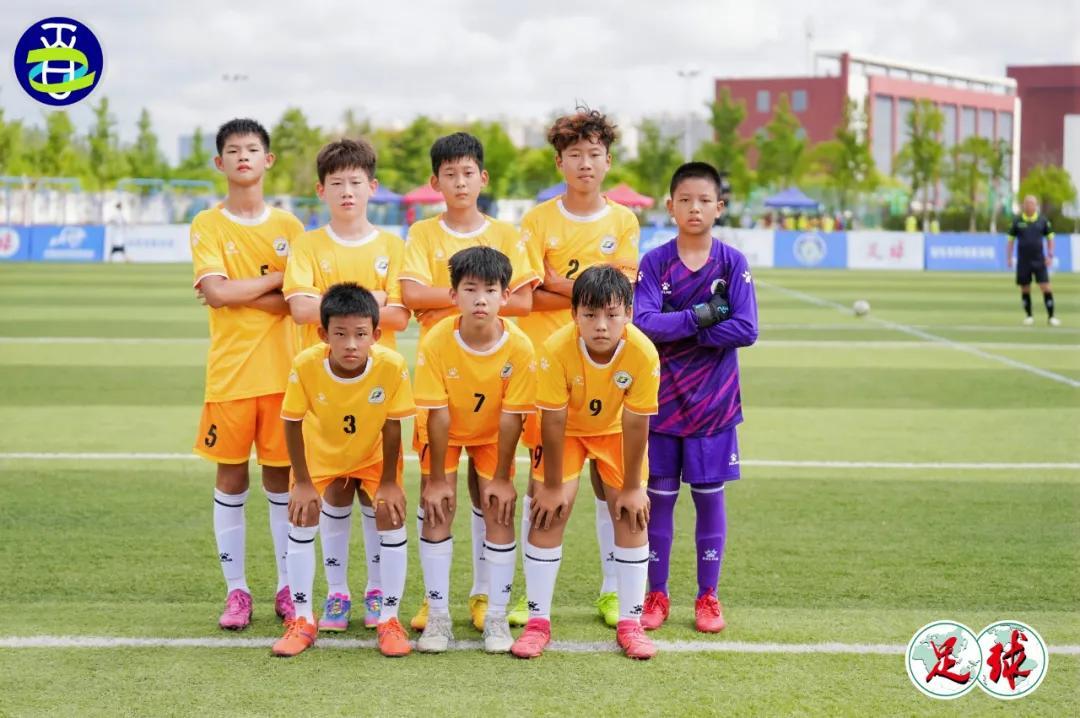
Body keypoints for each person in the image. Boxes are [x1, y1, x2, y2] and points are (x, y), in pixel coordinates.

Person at [400, 132, 538, 633]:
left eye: (468, 173)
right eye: (449, 174)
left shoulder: (506, 234)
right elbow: (409, 294)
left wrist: (452, 299)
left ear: (484, 177)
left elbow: (523, 301)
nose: (460, 182)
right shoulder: (422, 233)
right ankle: (433, 600)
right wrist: (467, 298)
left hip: (496, 374)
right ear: (435, 181)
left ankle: (484, 596)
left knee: (490, 495)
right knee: (435, 493)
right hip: (442, 373)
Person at [513, 106, 640, 629]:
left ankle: (612, 591)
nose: (585, 163)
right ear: (559, 162)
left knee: (611, 486)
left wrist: (558, 284)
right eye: (574, 154)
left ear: (608, 161)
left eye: (594, 153)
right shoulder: (537, 220)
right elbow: (526, 295)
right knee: (542, 484)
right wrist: (591, 289)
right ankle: (530, 597)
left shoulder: (623, 220)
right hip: (547, 366)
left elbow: (620, 295)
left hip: (607, 368)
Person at [283, 138, 411, 632]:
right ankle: (337, 593)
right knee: (335, 495)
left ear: (372, 187)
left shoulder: (392, 246)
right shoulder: (308, 245)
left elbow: (401, 314)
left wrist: (336, 304)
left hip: (379, 388)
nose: (347, 191)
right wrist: (371, 300)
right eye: (336, 183)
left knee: (378, 499)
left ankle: (377, 591)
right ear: (321, 190)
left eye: (356, 182)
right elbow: (300, 309)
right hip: (326, 392)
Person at [632, 162, 759, 633]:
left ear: (719, 207)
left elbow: (746, 328)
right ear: (670, 206)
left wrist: (681, 326)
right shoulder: (654, 262)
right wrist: (703, 315)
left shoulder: (732, 263)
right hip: (661, 403)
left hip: (714, 405)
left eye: (704, 200)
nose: (694, 208)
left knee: (709, 501)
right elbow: (644, 323)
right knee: (659, 502)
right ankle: (656, 594)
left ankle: (708, 596)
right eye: (685, 200)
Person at [511, 266, 660, 661]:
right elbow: (553, 419)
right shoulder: (556, 349)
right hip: (566, 432)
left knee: (631, 515)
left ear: (628, 313)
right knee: (549, 512)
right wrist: (552, 485)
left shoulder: (643, 352)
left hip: (615, 431)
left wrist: (633, 487)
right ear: (573, 313)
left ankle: (631, 623)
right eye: (590, 315)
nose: (601, 325)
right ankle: (537, 622)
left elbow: (636, 421)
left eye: (612, 314)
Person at [190, 118, 305, 630]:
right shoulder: (207, 224)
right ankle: (236, 590)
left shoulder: (290, 228)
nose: (243, 156)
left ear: (267, 160)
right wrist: (272, 282)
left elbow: (296, 304)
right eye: (233, 150)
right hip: (231, 375)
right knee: (231, 478)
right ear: (220, 162)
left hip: (284, 376)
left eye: (252, 149)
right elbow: (216, 294)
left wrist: (245, 290)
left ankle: (286, 586)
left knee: (281, 482)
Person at [274, 283, 415, 658]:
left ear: (376, 335)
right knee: (302, 515)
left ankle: (389, 618)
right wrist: (303, 482)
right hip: (321, 455)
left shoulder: (392, 365)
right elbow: (291, 422)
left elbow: (392, 426)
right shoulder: (306, 364)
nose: (351, 344)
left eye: (360, 334)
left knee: (390, 513)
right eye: (340, 334)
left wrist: (389, 482)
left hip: (372, 455)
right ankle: (303, 619)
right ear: (323, 334)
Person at [412, 246, 536, 653]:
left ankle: (496, 618)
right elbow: (437, 414)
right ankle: (438, 617)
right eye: (470, 289)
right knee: (437, 507)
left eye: (490, 290)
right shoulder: (436, 341)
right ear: (453, 295)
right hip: (443, 431)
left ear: (505, 296)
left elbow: (512, 417)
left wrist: (502, 478)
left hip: (493, 434)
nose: (480, 299)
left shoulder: (520, 347)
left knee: (498, 508)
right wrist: (436, 480)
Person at [1007, 195, 1060, 327]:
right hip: (1023, 261)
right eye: (1027, 203)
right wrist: (1009, 257)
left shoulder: (1043, 221)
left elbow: (1050, 238)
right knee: (1025, 288)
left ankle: (1051, 317)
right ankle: (1029, 316)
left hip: (1039, 260)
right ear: (1023, 205)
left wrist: (1050, 255)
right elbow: (1010, 240)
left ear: (1036, 206)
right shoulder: (1017, 221)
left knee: (1045, 286)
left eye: (1032, 204)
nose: (1030, 206)